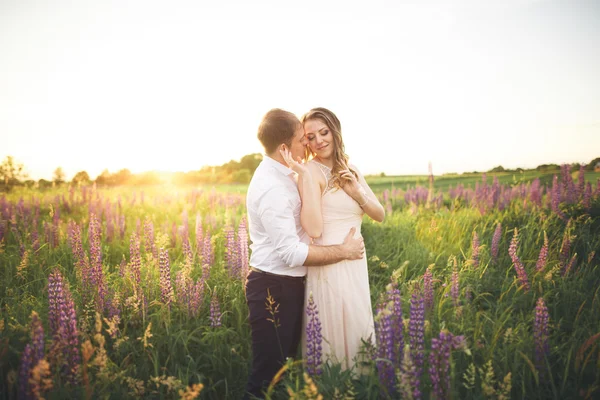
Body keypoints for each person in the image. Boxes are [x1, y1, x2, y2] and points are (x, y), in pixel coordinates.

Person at [243, 108, 366, 399]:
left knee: (285, 368)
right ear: (284, 147)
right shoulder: (272, 188)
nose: (308, 145)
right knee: (267, 376)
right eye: (302, 139)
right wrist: (343, 251)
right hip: (274, 286)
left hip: (289, 285)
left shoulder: (287, 173)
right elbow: (291, 253)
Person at [285, 107, 385, 372]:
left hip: (355, 264)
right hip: (329, 262)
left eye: (324, 132)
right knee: (331, 333)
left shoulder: (351, 170)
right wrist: (305, 177)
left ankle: (361, 387)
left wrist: (357, 192)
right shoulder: (310, 173)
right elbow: (315, 231)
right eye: (311, 136)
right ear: (305, 141)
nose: (319, 141)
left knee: (356, 323)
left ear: (335, 131)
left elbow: (380, 214)